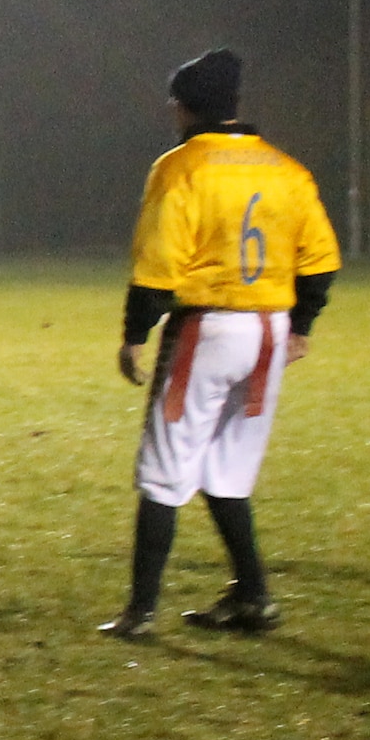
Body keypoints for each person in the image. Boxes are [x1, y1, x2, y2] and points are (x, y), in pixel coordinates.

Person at [99, 49, 340, 638]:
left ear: (183, 107)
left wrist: (135, 334)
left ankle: (140, 614)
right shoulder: (286, 169)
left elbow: (159, 261)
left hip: (207, 327)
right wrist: (303, 325)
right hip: (268, 331)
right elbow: (321, 260)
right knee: (226, 472)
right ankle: (254, 597)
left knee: (163, 471)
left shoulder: (180, 167)